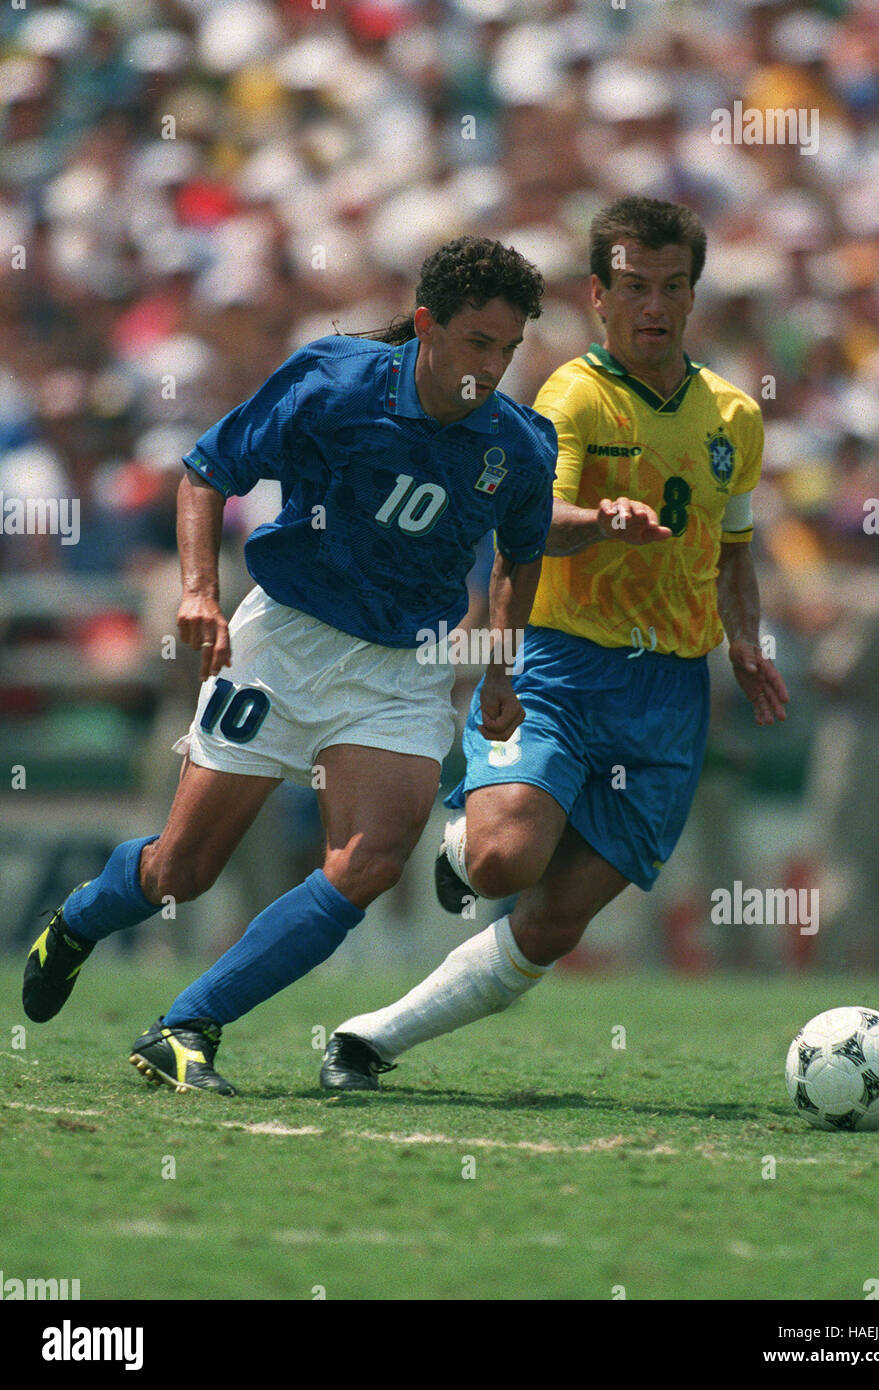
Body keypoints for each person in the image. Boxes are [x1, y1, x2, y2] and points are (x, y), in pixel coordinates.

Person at [22, 236, 557, 1095]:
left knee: (370, 861)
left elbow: (522, 553)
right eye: (476, 343)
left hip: (404, 667)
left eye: (508, 349)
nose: (491, 368)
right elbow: (207, 470)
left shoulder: (520, 447)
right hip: (286, 641)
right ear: (426, 326)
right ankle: (79, 921)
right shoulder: (336, 383)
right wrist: (198, 590)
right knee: (182, 873)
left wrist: (501, 665)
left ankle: (187, 1025)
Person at [320, 196, 790, 1091]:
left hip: (671, 696)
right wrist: (601, 519)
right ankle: (462, 848)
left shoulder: (735, 417)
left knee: (558, 923)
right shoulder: (571, 394)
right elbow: (534, 526)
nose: (654, 304)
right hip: (565, 663)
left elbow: (734, 553)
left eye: (673, 287)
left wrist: (746, 641)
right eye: (635, 286)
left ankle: (369, 1039)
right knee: (505, 864)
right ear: (599, 295)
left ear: (693, 296)